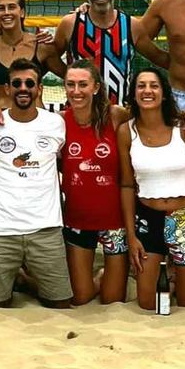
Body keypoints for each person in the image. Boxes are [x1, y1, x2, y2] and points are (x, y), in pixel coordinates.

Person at [0, 58, 71, 308]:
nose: (23, 88)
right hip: (2, 231)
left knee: (60, 303)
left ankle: (26, 279)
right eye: (16, 83)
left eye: (30, 83)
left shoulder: (55, 124)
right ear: (7, 88)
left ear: (39, 88)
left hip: (46, 228)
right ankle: (19, 277)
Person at [118, 67, 185, 310]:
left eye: (154, 86)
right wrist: (132, 235)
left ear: (164, 93)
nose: (147, 91)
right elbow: (126, 184)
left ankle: (179, 273)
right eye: (141, 86)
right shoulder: (126, 131)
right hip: (147, 215)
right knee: (147, 303)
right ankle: (170, 276)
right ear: (133, 94)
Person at [59, 60, 132, 305]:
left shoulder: (116, 116)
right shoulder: (59, 122)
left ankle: (104, 274)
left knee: (113, 300)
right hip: (78, 219)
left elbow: (154, 117)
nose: (76, 91)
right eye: (70, 85)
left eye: (83, 84)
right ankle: (28, 279)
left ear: (96, 88)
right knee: (80, 297)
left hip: (114, 221)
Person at [43, 0, 169, 105]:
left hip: (119, 115)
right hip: (79, 112)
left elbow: (159, 57)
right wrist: (73, 78)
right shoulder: (71, 23)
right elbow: (50, 57)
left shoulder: (131, 25)